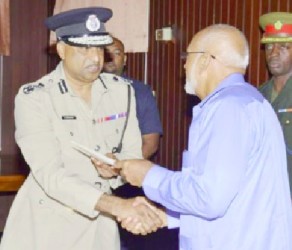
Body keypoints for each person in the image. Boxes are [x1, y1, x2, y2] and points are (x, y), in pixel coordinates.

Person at [108, 24, 292, 249]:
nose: (184, 65)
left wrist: (148, 175)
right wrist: (166, 216)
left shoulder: (227, 108)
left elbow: (210, 197)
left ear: (205, 60)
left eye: (187, 57)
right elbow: (234, 197)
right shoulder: (249, 101)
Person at [0, 7, 162, 250]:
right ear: (62, 50)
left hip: (100, 229)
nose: (95, 58)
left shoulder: (122, 91)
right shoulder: (35, 98)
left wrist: (117, 168)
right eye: (84, 49)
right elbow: (51, 175)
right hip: (48, 228)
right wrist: (118, 206)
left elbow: (132, 156)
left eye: (99, 48)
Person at [103, 37, 163, 159]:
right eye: (106, 53)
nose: (111, 58)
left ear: (124, 60)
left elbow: (150, 143)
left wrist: (123, 167)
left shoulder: (140, 92)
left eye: (116, 53)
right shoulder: (84, 88)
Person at [258, 12, 292, 196]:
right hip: (266, 198)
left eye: (284, 47)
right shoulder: (257, 96)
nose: (274, 53)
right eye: (269, 46)